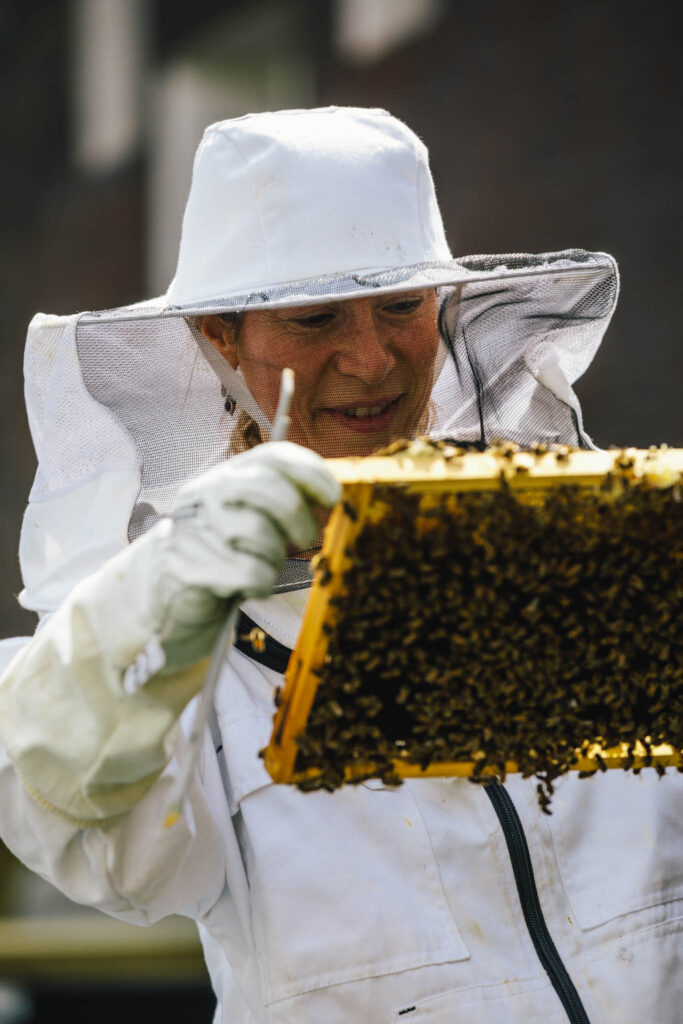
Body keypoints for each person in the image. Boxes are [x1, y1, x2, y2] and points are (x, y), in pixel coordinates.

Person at [0, 107, 679, 1024]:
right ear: (220, 336)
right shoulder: (177, 640)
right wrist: (170, 588)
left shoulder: (564, 562)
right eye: (314, 318)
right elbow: (89, 830)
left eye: (401, 306)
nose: (370, 358)